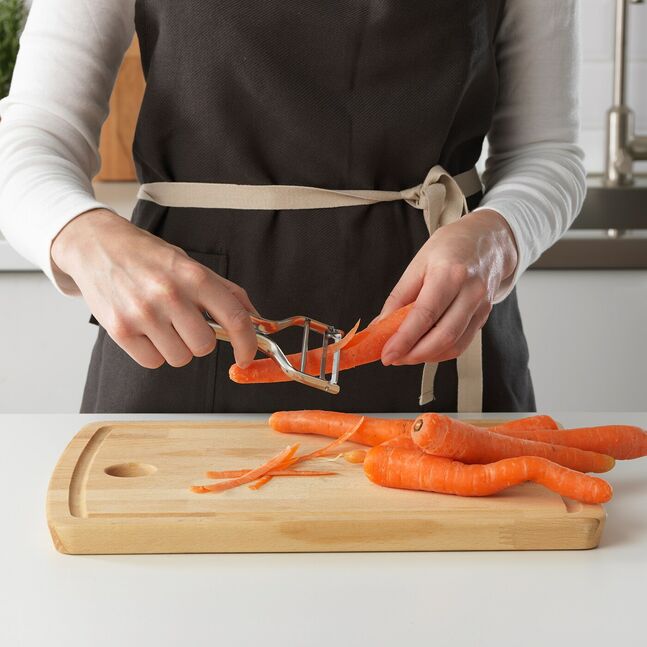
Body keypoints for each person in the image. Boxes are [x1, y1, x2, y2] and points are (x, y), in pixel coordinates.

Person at [0, 1, 585, 414]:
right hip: (185, 343)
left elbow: (547, 153)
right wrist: (83, 235)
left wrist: (499, 236)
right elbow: (31, 135)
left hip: (443, 340)